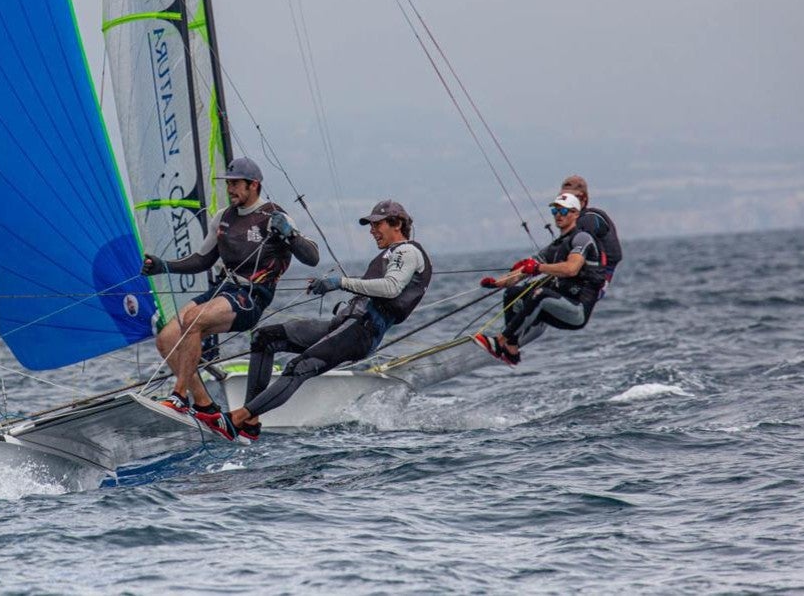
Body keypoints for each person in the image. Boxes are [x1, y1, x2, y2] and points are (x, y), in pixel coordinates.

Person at [196, 200, 431, 441]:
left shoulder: (407, 251)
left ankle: (237, 418)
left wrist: (339, 282)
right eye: (370, 225)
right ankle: (250, 420)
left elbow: (391, 288)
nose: (371, 230)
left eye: (377, 224)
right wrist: (336, 295)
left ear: (397, 224)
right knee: (265, 337)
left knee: (299, 368)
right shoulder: (390, 254)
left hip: (361, 332)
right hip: (344, 325)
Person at [141, 157, 320, 416]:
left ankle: (179, 396)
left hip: (252, 295)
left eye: (236, 184)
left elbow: (312, 258)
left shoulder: (273, 215)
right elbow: (202, 259)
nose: (230, 189)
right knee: (166, 338)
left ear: (253, 185)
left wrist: (289, 234)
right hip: (223, 289)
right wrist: (163, 265)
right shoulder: (222, 218)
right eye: (228, 184)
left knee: (193, 319)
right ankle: (204, 404)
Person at [474, 193, 604, 365]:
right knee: (513, 293)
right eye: (554, 210)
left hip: (577, 310)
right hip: (558, 306)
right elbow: (523, 271)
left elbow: (571, 269)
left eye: (563, 211)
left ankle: (500, 341)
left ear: (575, 214)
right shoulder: (555, 247)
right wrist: (498, 283)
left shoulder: (582, 239)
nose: (558, 214)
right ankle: (511, 348)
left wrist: (538, 268)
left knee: (540, 294)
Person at [560, 175, 622, 284]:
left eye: (571, 198)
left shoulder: (589, 219)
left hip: (596, 278)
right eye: (563, 198)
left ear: (583, 199)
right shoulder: (573, 220)